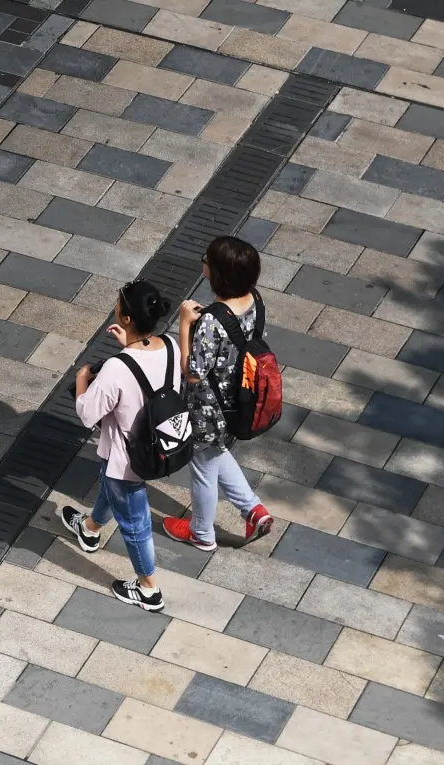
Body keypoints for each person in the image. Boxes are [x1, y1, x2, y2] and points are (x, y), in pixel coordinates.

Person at [60, 279, 177, 611]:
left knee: (135, 523)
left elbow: (87, 413)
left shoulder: (115, 369)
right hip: (160, 442)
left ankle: (148, 589)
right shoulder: (169, 346)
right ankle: (90, 528)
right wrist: (129, 345)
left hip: (127, 457)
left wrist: (83, 380)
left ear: (126, 318)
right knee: (111, 490)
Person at [165, 236, 276, 550]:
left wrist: (185, 325)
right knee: (215, 453)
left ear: (215, 274)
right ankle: (252, 509)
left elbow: (193, 371)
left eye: (206, 260)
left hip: (209, 408)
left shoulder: (211, 321)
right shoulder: (255, 299)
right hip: (241, 401)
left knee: (202, 465)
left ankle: (202, 533)